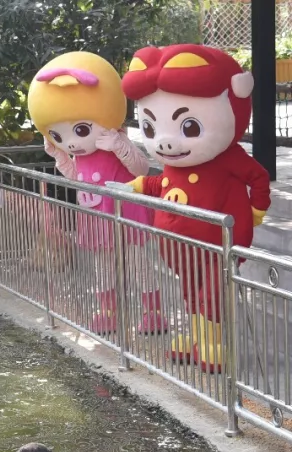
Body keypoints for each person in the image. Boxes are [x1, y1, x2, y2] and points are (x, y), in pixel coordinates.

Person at [110, 44, 271, 372]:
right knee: (190, 293)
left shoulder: (228, 157)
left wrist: (257, 211)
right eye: (151, 129)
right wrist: (135, 186)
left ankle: (213, 342)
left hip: (217, 244)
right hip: (181, 247)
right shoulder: (174, 162)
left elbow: (258, 178)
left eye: (189, 127)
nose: (165, 141)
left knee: (212, 294)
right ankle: (197, 338)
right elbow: (163, 184)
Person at [28, 51, 168, 336]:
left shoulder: (115, 140)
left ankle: (153, 313)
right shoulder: (79, 153)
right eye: (59, 135)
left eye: (80, 130)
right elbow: (76, 178)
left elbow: (141, 168)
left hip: (125, 214)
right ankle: (108, 312)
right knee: (102, 268)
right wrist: (59, 155)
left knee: (138, 264)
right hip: (94, 217)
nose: (71, 142)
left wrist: (118, 145)